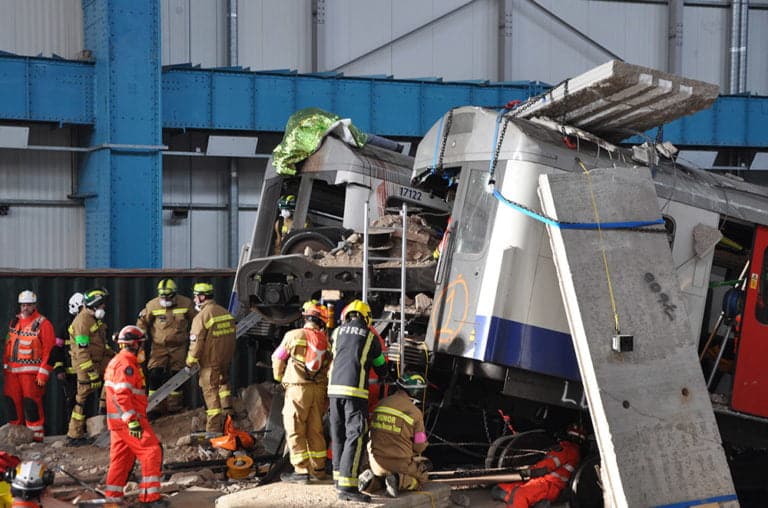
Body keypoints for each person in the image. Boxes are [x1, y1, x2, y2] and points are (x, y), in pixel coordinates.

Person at [328, 299, 388, 503]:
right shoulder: (370, 336)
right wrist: (387, 374)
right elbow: (380, 365)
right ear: (367, 317)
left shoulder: (336, 333)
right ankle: (348, 486)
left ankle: (338, 478)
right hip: (355, 392)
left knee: (339, 435)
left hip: (333, 391)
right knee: (356, 435)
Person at [103, 325, 167, 508]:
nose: (143, 348)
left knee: (122, 459)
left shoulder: (120, 361)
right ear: (135, 345)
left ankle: (112, 499)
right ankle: (149, 499)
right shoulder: (126, 365)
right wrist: (132, 421)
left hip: (118, 422)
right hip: (128, 422)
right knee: (151, 451)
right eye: (141, 344)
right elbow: (121, 396)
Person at [272, 301, 332, 484]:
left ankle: (300, 470)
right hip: (319, 391)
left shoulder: (293, 335)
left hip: (298, 389)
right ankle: (319, 469)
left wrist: (279, 377)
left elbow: (277, 358)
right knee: (316, 430)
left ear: (306, 318)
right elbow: (329, 366)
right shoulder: (325, 341)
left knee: (295, 427)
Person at [359, 373, 429, 498]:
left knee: (382, 474)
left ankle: (371, 482)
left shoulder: (381, 404)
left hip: (375, 462)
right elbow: (419, 446)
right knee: (422, 476)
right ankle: (398, 481)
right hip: (400, 465)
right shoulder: (415, 412)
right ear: (416, 391)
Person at [2, 290, 56, 442]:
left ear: (34, 306)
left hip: (31, 375)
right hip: (12, 373)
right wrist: (5, 368)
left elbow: (49, 351)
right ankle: (16, 437)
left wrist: (43, 373)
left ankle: (36, 438)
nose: (25, 308)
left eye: (29, 305)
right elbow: (8, 345)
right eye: (23, 305)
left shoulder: (43, 324)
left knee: (31, 404)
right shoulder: (14, 322)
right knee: (12, 404)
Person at [136, 278, 196, 415]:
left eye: (168, 296)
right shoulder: (152, 305)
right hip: (159, 347)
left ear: (174, 294)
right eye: (162, 296)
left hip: (179, 347)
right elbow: (141, 323)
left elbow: (196, 321)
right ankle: (153, 408)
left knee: (178, 376)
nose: (165, 299)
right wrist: (141, 338)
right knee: (155, 375)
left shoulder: (185, 303)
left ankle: (174, 407)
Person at [491, 423, 586, 508]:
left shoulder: (568, 450)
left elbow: (544, 468)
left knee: (520, 494)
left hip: (550, 485)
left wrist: (524, 473)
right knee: (502, 487)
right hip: (541, 481)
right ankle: (536, 503)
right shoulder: (569, 449)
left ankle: (532, 502)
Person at [185, 282, 236, 436]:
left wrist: (190, 362)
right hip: (225, 358)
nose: (194, 300)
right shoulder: (225, 312)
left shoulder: (201, 317)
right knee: (223, 384)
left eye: (195, 297)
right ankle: (228, 412)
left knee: (210, 392)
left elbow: (196, 343)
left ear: (202, 297)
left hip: (210, 362)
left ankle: (214, 428)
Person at [66, 288, 112, 446]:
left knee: (111, 380)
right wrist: (91, 373)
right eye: (101, 305)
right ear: (94, 305)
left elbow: (100, 344)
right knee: (83, 398)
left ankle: (103, 415)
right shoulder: (82, 322)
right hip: (86, 366)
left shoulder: (93, 319)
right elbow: (82, 352)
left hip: (98, 361)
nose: (104, 308)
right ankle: (74, 435)